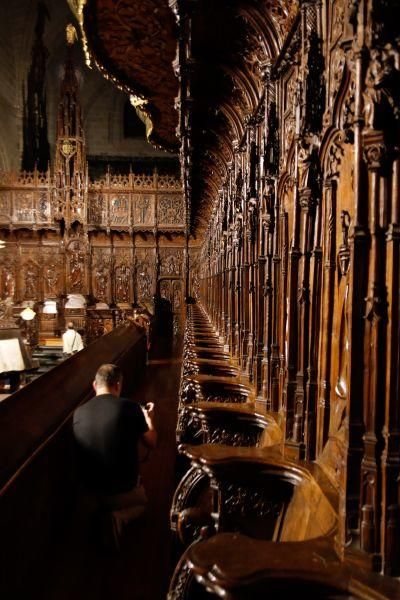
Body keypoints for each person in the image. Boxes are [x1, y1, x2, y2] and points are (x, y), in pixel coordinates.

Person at [72, 364, 156, 541]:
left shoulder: (78, 413)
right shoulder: (131, 407)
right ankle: (119, 518)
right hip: (121, 490)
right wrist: (149, 420)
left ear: (94, 385)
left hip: (89, 493)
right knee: (144, 503)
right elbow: (151, 442)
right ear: (118, 385)